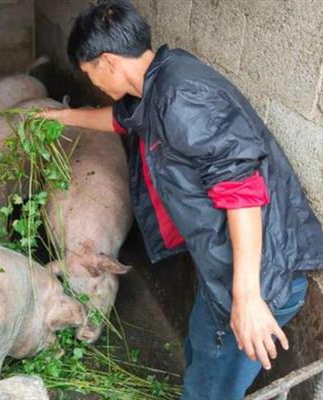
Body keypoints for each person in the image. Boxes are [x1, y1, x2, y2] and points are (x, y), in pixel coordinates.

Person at [39, 1, 323, 399]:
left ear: (106, 61)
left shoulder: (183, 97)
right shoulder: (156, 84)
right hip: (223, 265)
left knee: (210, 388)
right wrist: (62, 119)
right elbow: (122, 119)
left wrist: (248, 298)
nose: (95, 83)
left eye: (89, 73)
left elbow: (241, 190)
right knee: (200, 353)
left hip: (263, 273)